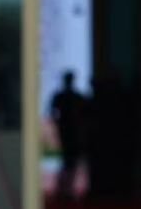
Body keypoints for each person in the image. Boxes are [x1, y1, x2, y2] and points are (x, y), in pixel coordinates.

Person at [49, 70, 87, 201]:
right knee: (68, 161)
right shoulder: (65, 97)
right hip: (68, 132)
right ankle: (65, 189)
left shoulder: (75, 97)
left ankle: (67, 188)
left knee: (71, 161)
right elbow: (53, 112)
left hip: (72, 132)